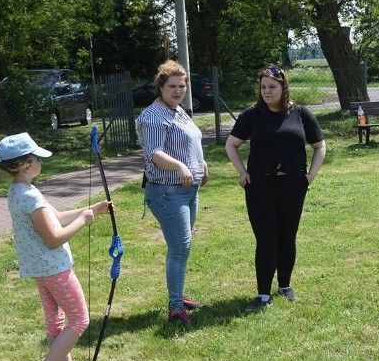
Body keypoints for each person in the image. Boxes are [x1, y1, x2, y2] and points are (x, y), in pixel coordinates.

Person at [0, 133, 111, 361]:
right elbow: (54, 238)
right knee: (79, 319)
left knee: (56, 323)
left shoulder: (21, 191)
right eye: (38, 158)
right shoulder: (30, 197)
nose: (41, 162)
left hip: (41, 270)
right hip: (55, 269)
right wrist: (83, 221)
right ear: (26, 165)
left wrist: (91, 210)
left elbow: (58, 218)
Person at [225, 65, 326, 312]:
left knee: (287, 236)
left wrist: (309, 176)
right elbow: (232, 145)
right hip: (260, 185)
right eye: (263, 87)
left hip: (292, 184)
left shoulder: (301, 113)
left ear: (284, 87)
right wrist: (243, 172)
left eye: (272, 87)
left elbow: (319, 146)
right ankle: (262, 294)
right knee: (266, 237)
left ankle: (284, 286)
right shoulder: (252, 115)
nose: (267, 92)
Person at [137, 60, 209, 324]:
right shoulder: (152, 116)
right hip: (166, 192)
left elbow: (189, 142)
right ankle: (176, 309)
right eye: (172, 86)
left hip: (188, 190)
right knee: (180, 248)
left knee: (181, 248)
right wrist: (180, 166)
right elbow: (154, 154)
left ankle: (178, 296)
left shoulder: (178, 111)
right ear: (161, 87)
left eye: (182, 86)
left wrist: (202, 164)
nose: (178, 91)